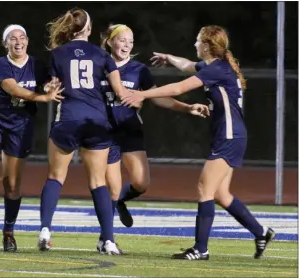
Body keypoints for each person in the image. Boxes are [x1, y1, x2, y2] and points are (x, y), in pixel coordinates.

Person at [122, 25, 275, 260]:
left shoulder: (218, 70)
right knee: (221, 194)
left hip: (229, 136)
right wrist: (168, 57)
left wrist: (142, 94)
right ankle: (261, 232)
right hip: (230, 135)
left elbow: (179, 87)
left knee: (204, 188)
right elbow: (186, 66)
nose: (194, 44)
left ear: (206, 45)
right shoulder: (214, 67)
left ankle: (201, 249)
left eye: (197, 41)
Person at [96, 24, 210, 252]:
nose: (127, 45)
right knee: (111, 186)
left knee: (141, 182)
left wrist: (188, 108)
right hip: (103, 133)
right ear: (109, 41)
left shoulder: (139, 70)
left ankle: (119, 202)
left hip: (129, 131)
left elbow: (160, 98)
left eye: (131, 40)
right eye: (122, 40)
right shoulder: (96, 66)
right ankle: (106, 239)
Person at [38, 8, 134, 256]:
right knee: (98, 182)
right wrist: (141, 96)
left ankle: (46, 230)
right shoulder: (102, 54)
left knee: (55, 177)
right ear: (89, 29)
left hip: (68, 118)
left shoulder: (58, 53)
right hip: (96, 122)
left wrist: (49, 88)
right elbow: (120, 91)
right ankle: (109, 240)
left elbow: (52, 85)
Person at [0, 24, 63, 252]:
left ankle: (8, 232)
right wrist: (42, 97)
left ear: (27, 41)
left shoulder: (37, 65)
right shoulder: (1, 64)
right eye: (12, 38)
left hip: (21, 126)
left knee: (12, 184)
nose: (18, 41)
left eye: (21, 37)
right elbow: (13, 89)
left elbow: (51, 82)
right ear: (5, 44)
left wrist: (50, 84)